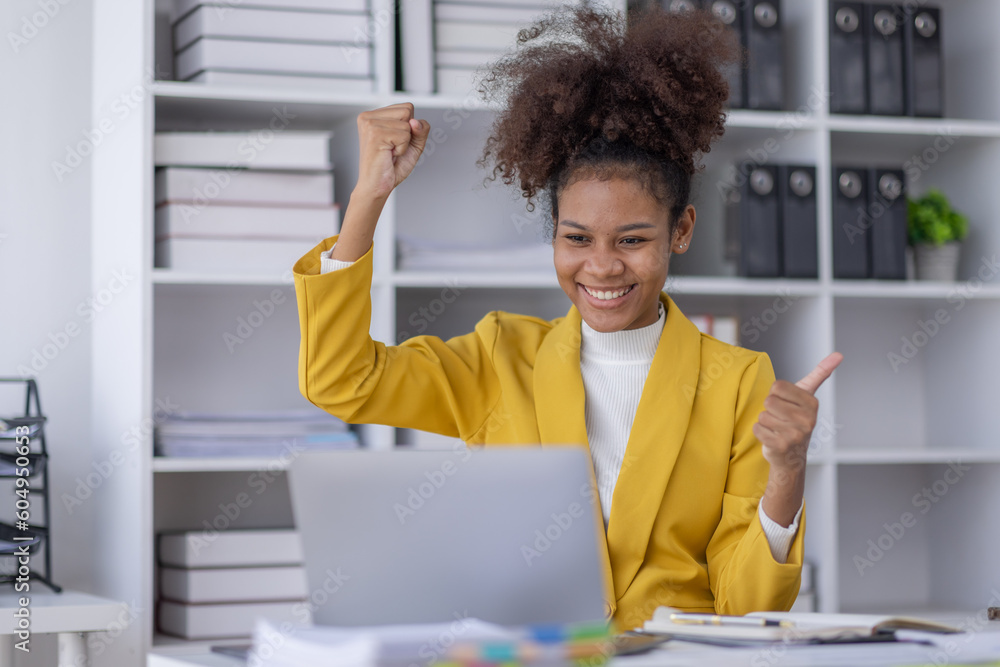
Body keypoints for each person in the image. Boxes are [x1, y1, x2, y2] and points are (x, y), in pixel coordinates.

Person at [292, 3, 842, 629]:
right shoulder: (501, 357)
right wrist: (368, 197)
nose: (602, 268)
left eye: (632, 240)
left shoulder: (741, 380)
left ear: (680, 231)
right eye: (577, 239)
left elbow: (746, 604)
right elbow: (341, 380)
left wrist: (788, 473)